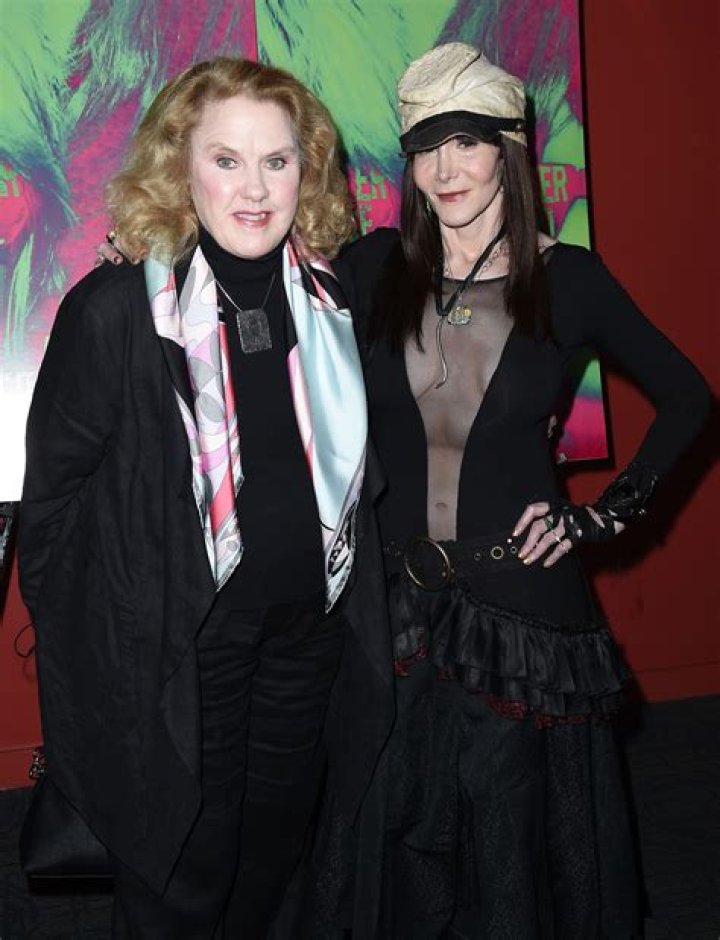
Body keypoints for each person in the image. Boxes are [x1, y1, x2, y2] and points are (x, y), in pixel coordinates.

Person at [297, 43, 712, 938]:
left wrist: (605, 515)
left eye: (467, 142)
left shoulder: (570, 279)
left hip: (523, 606)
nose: (445, 169)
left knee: (511, 838)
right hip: (394, 605)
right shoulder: (372, 267)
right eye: (425, 147)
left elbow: (688, 396)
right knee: (397, 830)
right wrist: (141, 253)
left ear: (508, 150)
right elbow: (259, 295)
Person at [18, 56, 393, 938]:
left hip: (309, 634)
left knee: (276, 857)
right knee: (183, 871)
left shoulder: (338, 300)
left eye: (277, 160)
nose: (254, 189)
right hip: (182, 648)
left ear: (307, 171)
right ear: (179, 166)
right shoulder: (115, 312)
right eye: (227, 160)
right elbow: (53, 511)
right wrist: (109, 642)